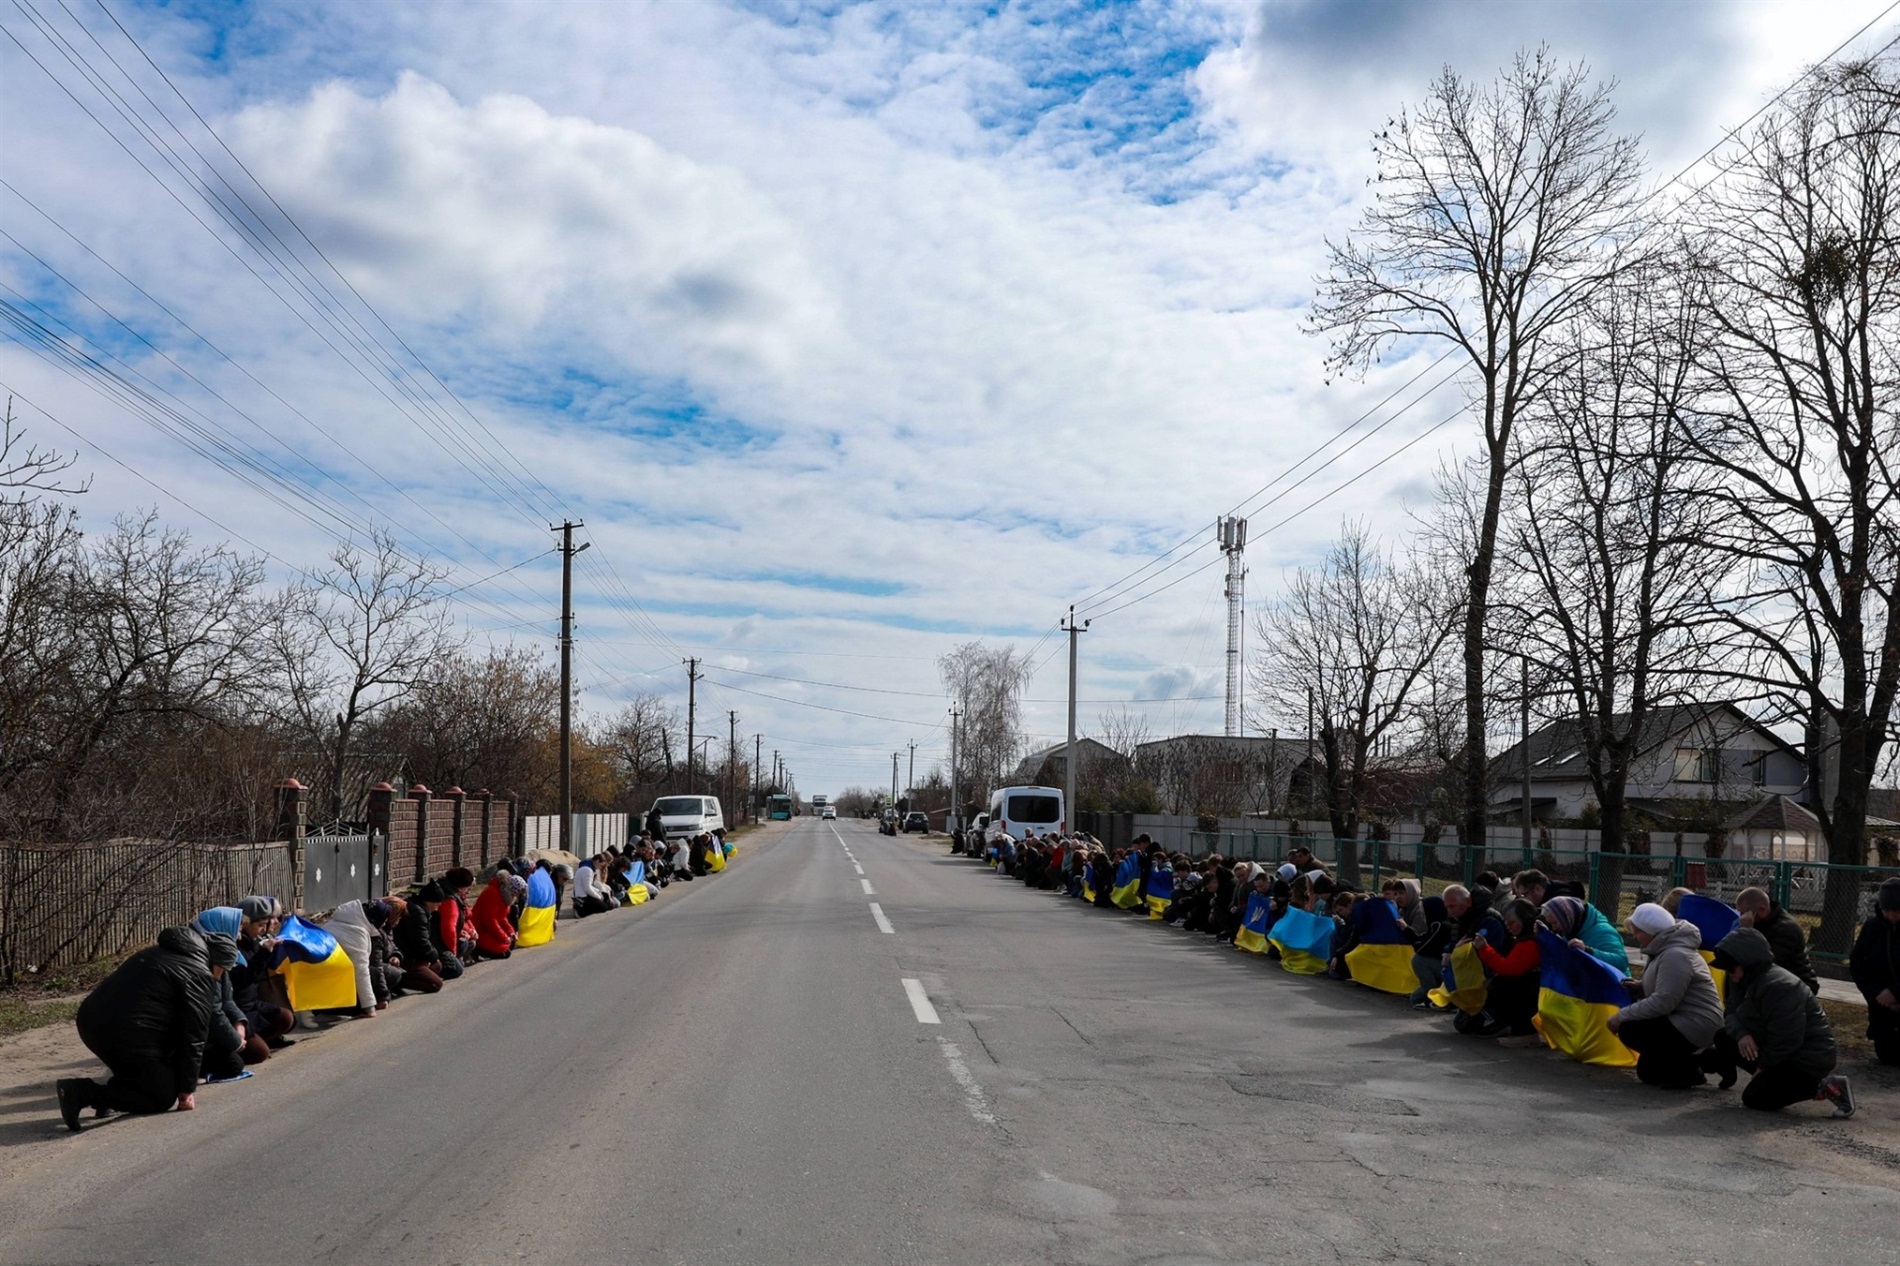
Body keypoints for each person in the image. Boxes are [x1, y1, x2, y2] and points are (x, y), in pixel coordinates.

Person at [58, 927, 216, 1130]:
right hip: (128, 1033)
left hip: (91, 1021)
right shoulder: (198, 973)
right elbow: (194, 1036)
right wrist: (186, 1090)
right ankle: (82, 1092)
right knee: (160, 1096)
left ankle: (106, 1099)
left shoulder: (153, 953)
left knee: (142, 1075)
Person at [1706, 927, 1853, 1116]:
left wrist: (1763, 1067)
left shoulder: (1781, 986)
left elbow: (1787, 1038)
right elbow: (1731, 1013)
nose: (1729, 973)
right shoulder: (1741, 979)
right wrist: (1742, 1034)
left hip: (1806, 1058)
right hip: (1777, 1046)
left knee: (1755, 1098)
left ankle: (1824, 1086)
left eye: (1731, 968)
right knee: (1725, 1037)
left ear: (1747, 962)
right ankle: (1771, 1082)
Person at [1608, 903, 1723, 1089]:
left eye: (1637, 932)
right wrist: (1639, 987)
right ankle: (1695, 1064)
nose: (1635, 937)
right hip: (1684, 1019)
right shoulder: (1666, 950)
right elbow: (1668, 988)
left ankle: (1700, 1064)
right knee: (1649, 1071)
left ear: (1651, 931)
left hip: (1696, 1023)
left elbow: (1664, 1001)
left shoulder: (1674, 955)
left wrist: (1621, 1016)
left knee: (1630, 1029)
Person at [1471, 899, 1543, 1046]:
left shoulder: (1530, 942)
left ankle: (1523, 1031)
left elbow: (1509, 969)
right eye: (1507, 923)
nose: (1509, 927)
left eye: (1512, 923)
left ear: (1524, 920)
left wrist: (1485, 949)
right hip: (1536, 985)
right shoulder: (1530, 937)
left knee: (1500, 984)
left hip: (1532, 990)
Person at [1849, 875, 1900, 1066]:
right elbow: (1858, 965)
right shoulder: (1872, 927)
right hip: (1881, 1004)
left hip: (1893, 995)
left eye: (1897, 911)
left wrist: (1895, 993)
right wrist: (1879, 995)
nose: (1892, 916)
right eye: (1888, 910)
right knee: (1888, 1057)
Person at [1734, 887, 1818, 993]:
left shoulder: (1786, 929)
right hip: (1777, 980)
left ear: (1762, 910)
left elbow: (1765, 962)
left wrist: (1747, 931)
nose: (1742, 918)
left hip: (1797, 984)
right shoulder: (1758, 923)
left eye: (1745, 914)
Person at [1540, 895, 1630, 976]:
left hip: (1611, 989)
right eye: (1551, 924)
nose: (1554, 928)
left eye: (1555, 923)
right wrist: (1546, 937)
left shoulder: (1603, 932)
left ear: (1567, 918)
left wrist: (1588, 951)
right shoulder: (1571, 930)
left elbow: (1621, 962)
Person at [393, 887, 452, 992]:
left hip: (413, 954)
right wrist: (432, 956)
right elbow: (421, 941)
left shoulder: (420, 910)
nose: (437, 909)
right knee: (435, 984)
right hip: (406, 956)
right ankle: (398, 981)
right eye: (437, 905)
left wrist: (431, 958)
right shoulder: (418, 914)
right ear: (429, 901)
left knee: (437, 965)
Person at [471, 871, 522, 960]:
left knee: (509, 944)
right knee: (505, 952)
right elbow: (490, 920)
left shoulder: (500, 894)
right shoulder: (492, 894)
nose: (517, 896)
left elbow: (502, 918)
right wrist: (504, 936)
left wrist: (510, 932)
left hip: (487, 929)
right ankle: (476, 950)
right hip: (481, 929)